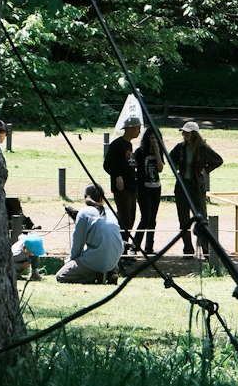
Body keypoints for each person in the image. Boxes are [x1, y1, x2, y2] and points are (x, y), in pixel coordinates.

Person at [169, 121, 224, 255]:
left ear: (194, 134)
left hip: (197, 187)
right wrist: (176, 168)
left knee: (201, 218)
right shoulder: (179, 147)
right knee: (183, 219)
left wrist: (205, 170)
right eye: (183, 132)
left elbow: (218, 160)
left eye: (187, 132)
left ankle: (205, 249)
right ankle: (187, 248)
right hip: (182, 186)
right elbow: (170, 158)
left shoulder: (203, 149)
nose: (184, 134)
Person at [56, 184, 124, 283]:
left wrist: (71, 261)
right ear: (102, 197)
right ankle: (111, 271)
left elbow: (78, 242)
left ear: (85, 197)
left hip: (96, 257)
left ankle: (96, 276)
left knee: (61, 276)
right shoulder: (111, 212)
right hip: (116, 257)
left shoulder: (84, 213)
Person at [103, 115, 141, 251]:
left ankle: (122, 247)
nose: (139, 131)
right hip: (122, 188)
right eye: (137, 128)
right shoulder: (117, 144)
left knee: (130, 218)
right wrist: (118, 176)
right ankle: (120, 250)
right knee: (124, 219)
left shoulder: (129, 145)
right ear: (130, 129)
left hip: (131, 186)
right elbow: (108, 164)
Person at [133, 126, 165, 255]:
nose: (153, 140)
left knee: (153, 219)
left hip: (156, 187)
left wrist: (157, 150)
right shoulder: (140, 152)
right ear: (147, 138)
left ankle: (149, 247)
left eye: (156, 138)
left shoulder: (159, 151)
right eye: (151, 138)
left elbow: (160, 168)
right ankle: (135, 246)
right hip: (143, 188)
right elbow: (134, 165)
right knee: (145, 218)